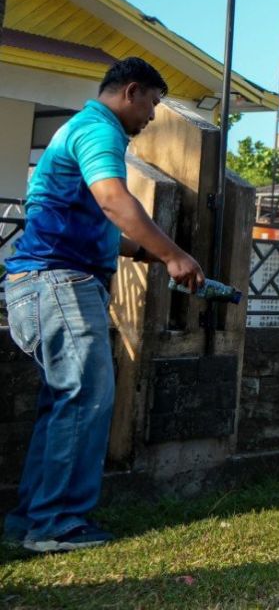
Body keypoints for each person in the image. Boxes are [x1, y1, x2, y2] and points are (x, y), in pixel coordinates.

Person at [3, 58, 205, 554]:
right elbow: (114, 200)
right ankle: (57, 523)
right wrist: (173, 252)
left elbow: (94, 226)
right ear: (132, 92)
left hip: (42, 280)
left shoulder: (77, 128)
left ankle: (32, 517)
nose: (153, 117)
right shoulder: (100, 129)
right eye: (153, 103)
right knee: (86, 397)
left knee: (65, 402)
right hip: (59, 283)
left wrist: (148, 255)